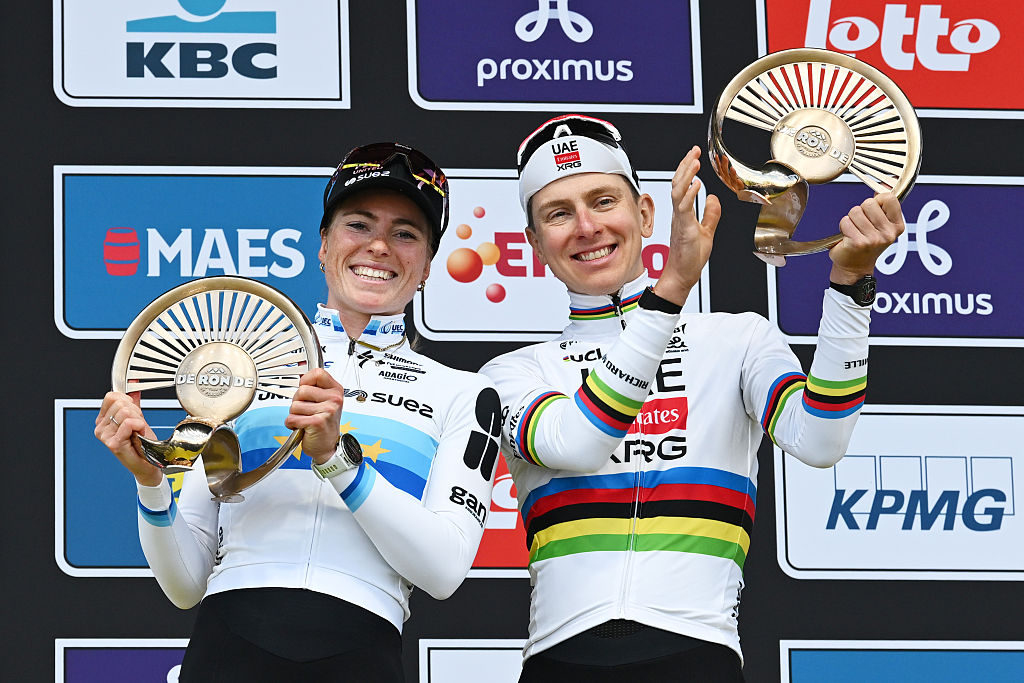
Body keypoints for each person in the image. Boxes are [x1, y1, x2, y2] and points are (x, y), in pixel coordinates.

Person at [480, 115, 904, 682]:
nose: (586, 226)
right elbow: (578, 444)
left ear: (645, 213)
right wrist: (671, 291)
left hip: (698, 654)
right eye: (558, 213)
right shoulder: (514, 373)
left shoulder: (738, 339)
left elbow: (820, 439)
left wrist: (851, 287)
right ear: (534, 243)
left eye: (603, 200)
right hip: (561, 658)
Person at [95, 143, 502, 681]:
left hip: (362, 654)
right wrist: (151, 482)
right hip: (228, 645)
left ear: (427, 265)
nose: (379, 246)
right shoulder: (245, 368)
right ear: (323, 245)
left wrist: (337, 461)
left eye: (405, 233)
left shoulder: (462, 394)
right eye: (358, 224)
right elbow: (185, 584)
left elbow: (444, 569)